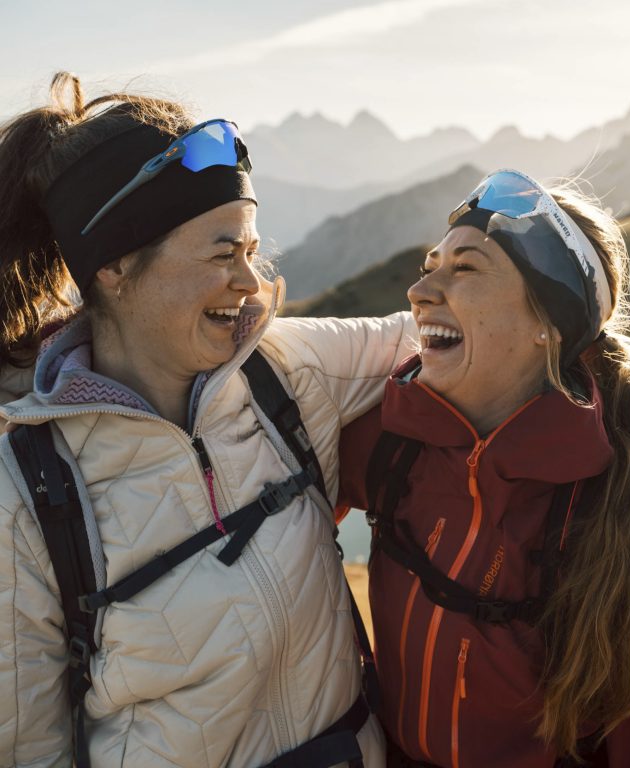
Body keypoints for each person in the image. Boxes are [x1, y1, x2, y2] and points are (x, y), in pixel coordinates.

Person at [0, 73, 416, 767]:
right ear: (116, 265)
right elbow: (28, 750)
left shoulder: (286, 370)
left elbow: (446, 335)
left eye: (252, 252)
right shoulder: (27, 494)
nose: (251, 284)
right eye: (224, 255)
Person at [337, 170, 630, 767]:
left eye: (465, 268)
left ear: (549, 322)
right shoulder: (390, 442)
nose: (420, 291)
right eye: (429, 265)